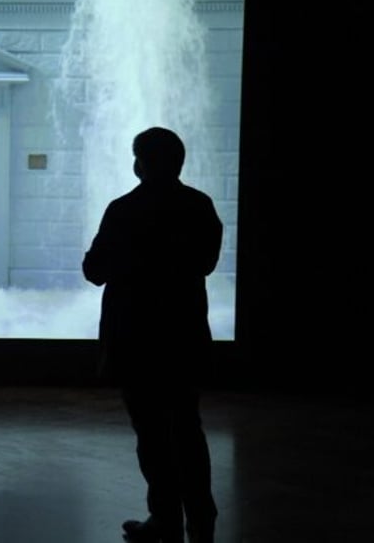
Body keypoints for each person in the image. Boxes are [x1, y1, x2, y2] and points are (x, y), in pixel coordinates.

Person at [82, 127, 222, 543]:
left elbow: (95, 272)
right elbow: (207, 264)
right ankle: (201, 518)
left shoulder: (124, 209)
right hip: (183, 335)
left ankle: (164, 519)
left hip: (135, 338)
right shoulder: (199, 205)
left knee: (152, 434)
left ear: (141, 163)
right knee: (187, 428)